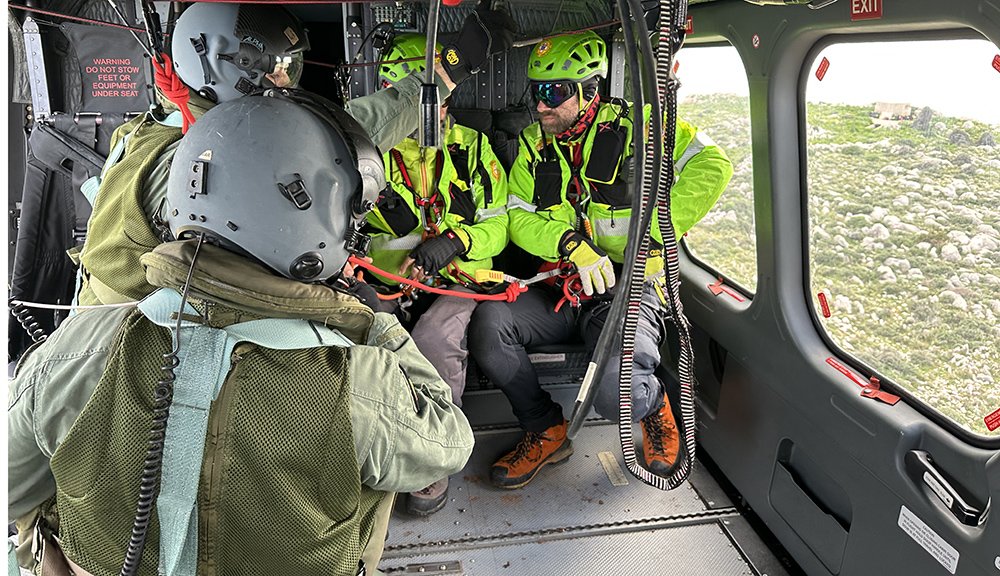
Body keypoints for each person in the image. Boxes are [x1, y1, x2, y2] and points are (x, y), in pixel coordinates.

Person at [8, 92, 475, 576]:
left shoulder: (79, 348)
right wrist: (377, 324)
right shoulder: (357, 377)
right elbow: (449, 445)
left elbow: (12, 491)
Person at [74, 0, 512, 307]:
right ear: (232, 68)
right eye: (279, 68)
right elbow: (341, 134)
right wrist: (451, 69)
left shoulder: (149, 127)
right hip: (135, 327)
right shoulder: (213, 146)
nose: (287, 82)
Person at [467, 31, 734, 489]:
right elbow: (516, 218)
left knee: (618, 395)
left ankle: (653, 407)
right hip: (561, 290)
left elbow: (714, 164)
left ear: (588, 91)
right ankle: (545, 428)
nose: (541, 106)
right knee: (489, 327)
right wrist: (572, 245)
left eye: (554, 93)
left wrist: (653, 233)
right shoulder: (534, 147)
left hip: (626, 291)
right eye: (536, 93)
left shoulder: (642, 128)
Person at [366, 33, 509, 516]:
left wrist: (456, 241)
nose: (430, 119)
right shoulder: (366, 154)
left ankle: (432, 459)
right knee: (369, 342)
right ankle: (377, 449)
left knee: (436, 339)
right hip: (383, 281)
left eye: (439, 103)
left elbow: (500, 225)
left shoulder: (475, 149)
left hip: (457, 280)